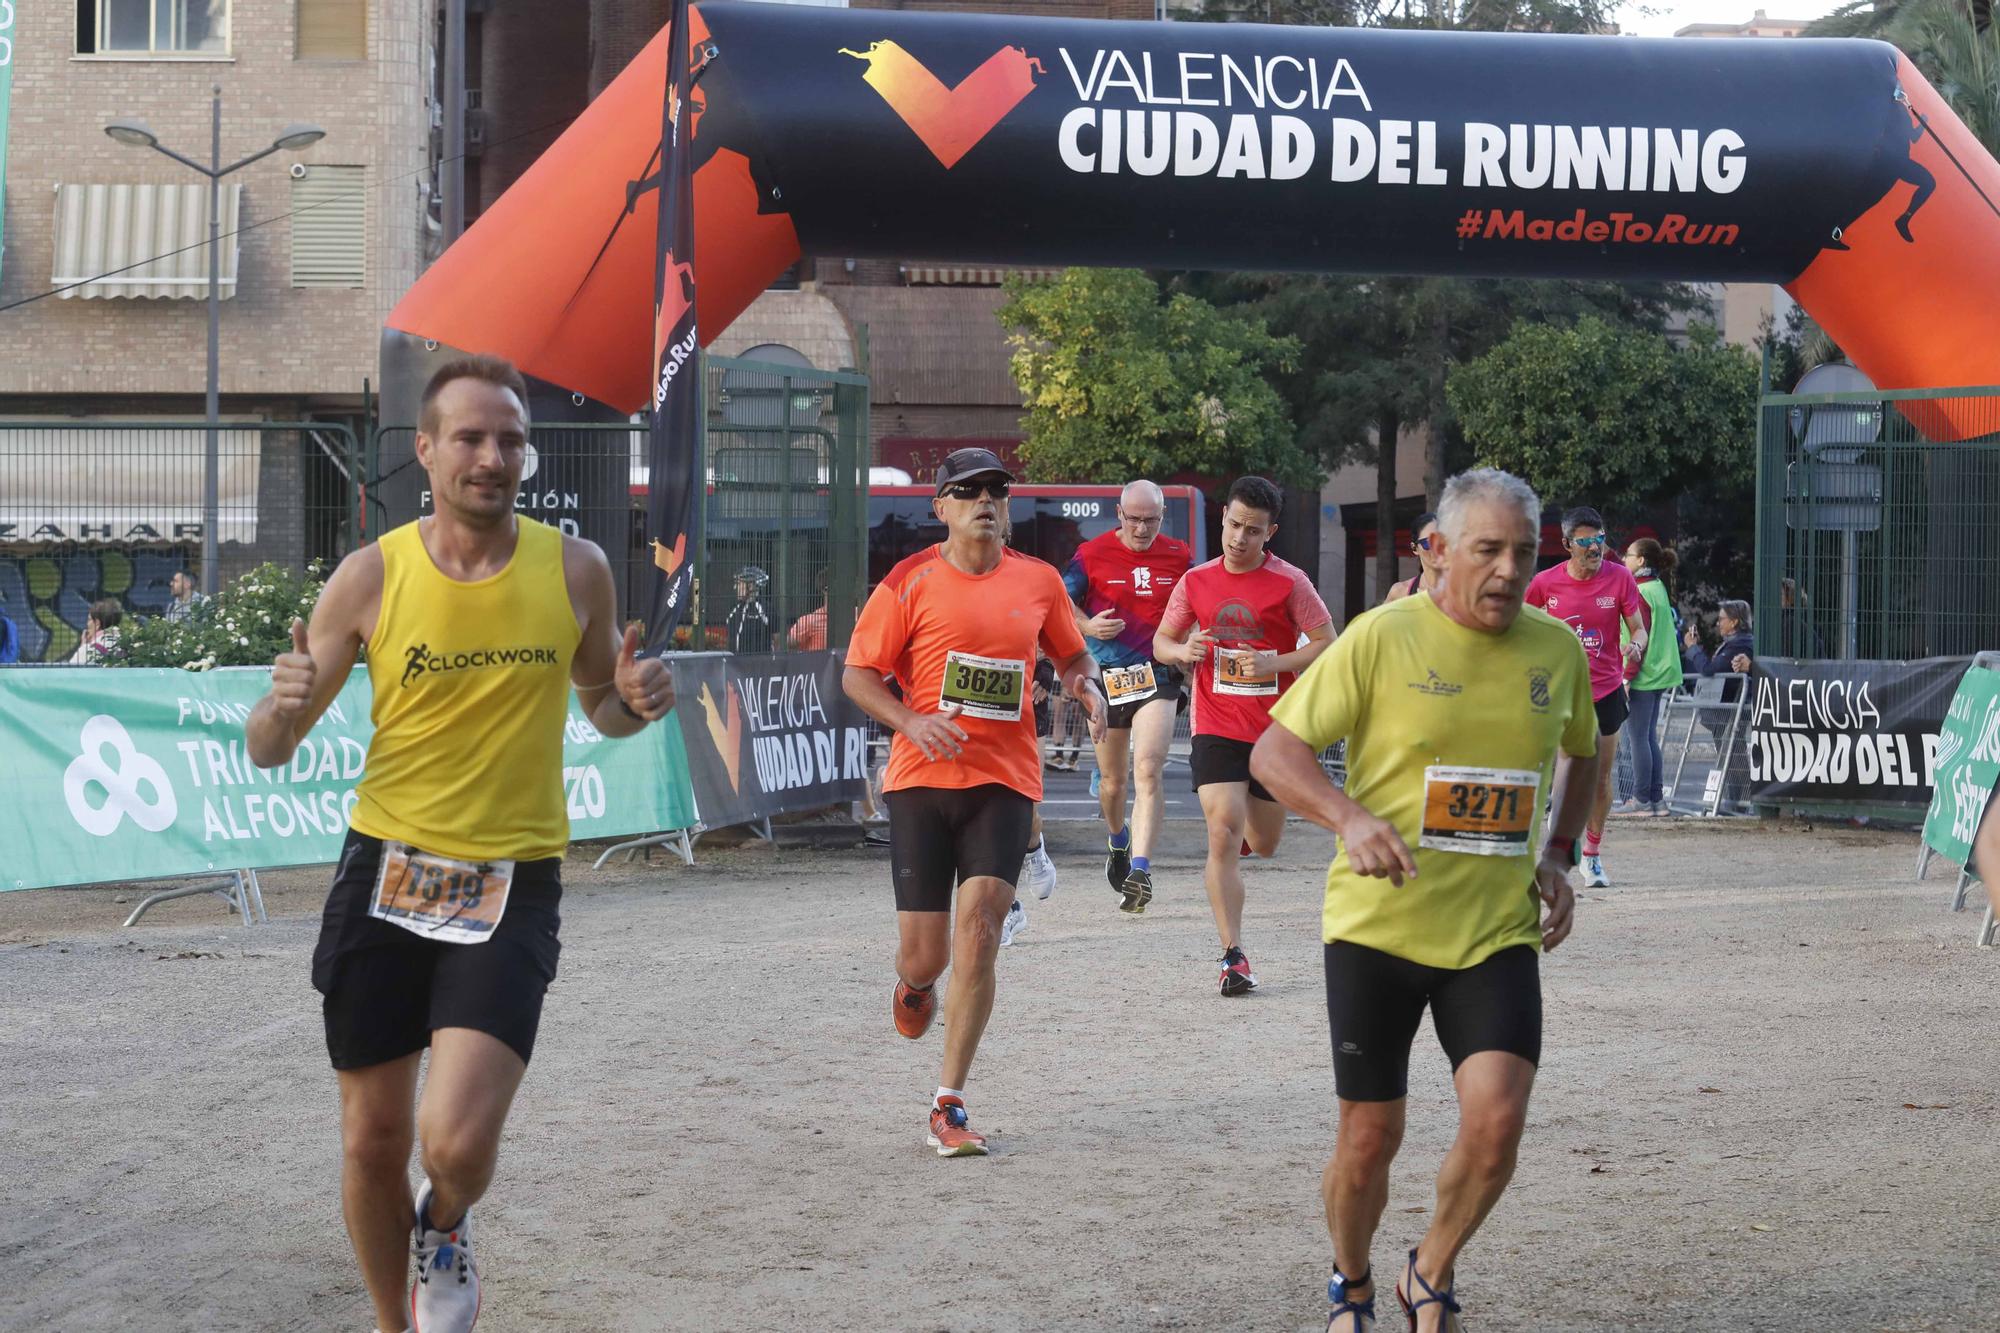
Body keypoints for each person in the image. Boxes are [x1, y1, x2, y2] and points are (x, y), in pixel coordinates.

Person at [244, 356, 675, 1333]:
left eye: (511, 439)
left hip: (511, 877)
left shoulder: (575, 568)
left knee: (456, 1145)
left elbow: (601, 705)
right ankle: (396, 1326)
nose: (492, 456)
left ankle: (445, 1223)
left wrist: (636, 703)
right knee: (371, 1138)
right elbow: (269, 750)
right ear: (427, 451)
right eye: (471, 438)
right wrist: (279, 709)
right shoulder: (370, 576)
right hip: (385, 871)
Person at [1248, 467, 1598, 1333]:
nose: (1510, 570)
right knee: (1369, 1141)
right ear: (1436, 551)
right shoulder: (1378, 637)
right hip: (1379, 927)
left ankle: (1429, 1270)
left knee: (1498, 1122)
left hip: (1494, 931)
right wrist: (1347, 814)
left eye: (1523, 551)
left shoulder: (1555, 650)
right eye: (1488, 550)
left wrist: (1558, 853)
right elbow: (1274, 753)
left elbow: (1584, 749)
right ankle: (1353, 1281)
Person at [842, 446, 1105, 1156]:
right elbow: (858, 674)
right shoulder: (909, 581)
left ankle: (948, 1102)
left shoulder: (1041, 580)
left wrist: (1087, 685)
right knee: (925, 956)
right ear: (942, 506)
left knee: (982, 929)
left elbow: (1071, 655)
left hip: (1005, 781)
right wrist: (911, 720)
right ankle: (915, 984)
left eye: (996, 489)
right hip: (923, 782)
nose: (985, 500)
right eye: (968, 490)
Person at [1154, 475, 1334, 994]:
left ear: (1269, 532)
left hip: (1275, 731)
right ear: (1223, 520)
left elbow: (1327, 642)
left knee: (1267, 841)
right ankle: (1233, 955)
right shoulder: (1196, 581)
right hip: (1216, 723)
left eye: (1252, 531)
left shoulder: (1290, 582)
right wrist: (1182, 652)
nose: (1239, 538)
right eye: (1234, 525)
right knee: (1221, 829)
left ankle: (1246, 840)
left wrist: (1273, 662)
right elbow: (1165, 641)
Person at [1062, 479, 1195, 912]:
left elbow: (1197, 607)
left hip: (1157, 674)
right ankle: (1118, 840)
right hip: (1105, 678)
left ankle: (1141, 868)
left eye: (1151, 520)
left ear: (1162, 517)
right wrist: (1087, 627)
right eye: (1134, 519)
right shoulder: (1091, 554)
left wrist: (1189, 647)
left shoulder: (1179, 555)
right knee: (1114, 783)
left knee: (1149, 769)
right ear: (1119, 515)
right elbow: (1060, 602)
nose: (1141, 529)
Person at [1524, 507, 1646, 890]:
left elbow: (1638, 629)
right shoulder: (1545, 583)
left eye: (1599, 538)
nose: (1594, 547)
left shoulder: (1621, 577)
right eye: (1585, 541)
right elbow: (1521, 629)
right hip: (1561, 693)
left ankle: (1591, 854)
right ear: (1566, 545)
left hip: (1606, 689)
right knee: (1564, 771)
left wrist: (1636, 647)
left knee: (1601, 779)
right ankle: (1560, 831)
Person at [1615, 538, 1682, 817]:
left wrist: (1627, 678)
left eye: (1629, 555)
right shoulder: (1658, 588)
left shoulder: (1640, 591)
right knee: (1648, 737)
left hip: (1642, 673)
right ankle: (1656, 800)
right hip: (1660, 672)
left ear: (1641, 561)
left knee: (1638, 738)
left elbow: (1637, 636)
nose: (1624, 558)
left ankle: (1641, 799)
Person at [1684, 600, 1757, 809]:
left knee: (1733, 754)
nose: (1718, 623)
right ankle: (1736, 800)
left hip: (1732, 709)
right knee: (1730, 754)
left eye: (1722, 619)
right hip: (1726, 709)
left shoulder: (1740, 644)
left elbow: (1710, 669)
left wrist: (1693, 649)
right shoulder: (1735, 642)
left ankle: (1738, 801)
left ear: (1734, 622)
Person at [1382, 511, 1442, 604]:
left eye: (1441, 540)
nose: (1436, 548)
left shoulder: (1465, 590)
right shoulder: (1400, 593)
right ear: (1414, 548)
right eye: (1428, 542)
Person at [725, 565, 773, 655]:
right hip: (733, 664)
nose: (735, 588)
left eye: (739, 584)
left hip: (759, 664)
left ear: (751, 586)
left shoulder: (765, 608)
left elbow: (777, 639)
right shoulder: (734, 608)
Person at [68, 599, 123, 665]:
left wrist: (83, 647)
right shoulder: (126, 646)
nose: (87, 624)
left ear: (97, 623)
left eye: (89, 619)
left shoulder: (89, 651)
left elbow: (71, 670)